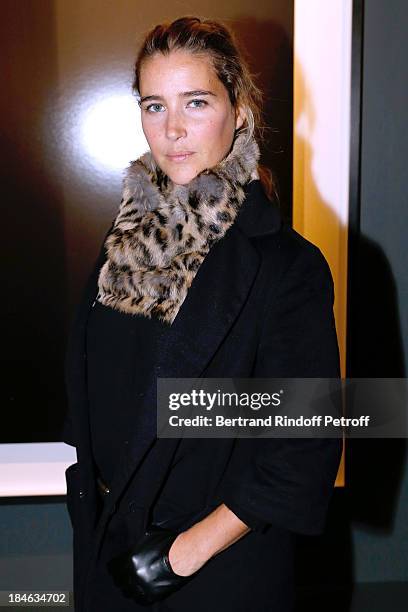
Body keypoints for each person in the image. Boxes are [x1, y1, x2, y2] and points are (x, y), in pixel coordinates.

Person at [63, 16, 342, 612]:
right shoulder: (125, 243)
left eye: (196, 102)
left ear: (239, 109)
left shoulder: (286, 267)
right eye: (154, 105)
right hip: (105, 552)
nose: (172, 130)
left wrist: (180, 555)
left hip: (212, 573)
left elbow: (304, 446)